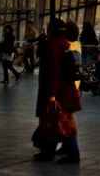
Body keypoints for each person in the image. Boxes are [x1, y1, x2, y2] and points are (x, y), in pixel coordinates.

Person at [33, 18, 82, 163]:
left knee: (60, 122)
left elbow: (54, 72)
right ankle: (65, 149)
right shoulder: (65, 44)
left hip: (59, 91)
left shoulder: (53, 46)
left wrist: (52, 95)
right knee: (63, 120)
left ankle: (72, 153)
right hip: (68, 89)